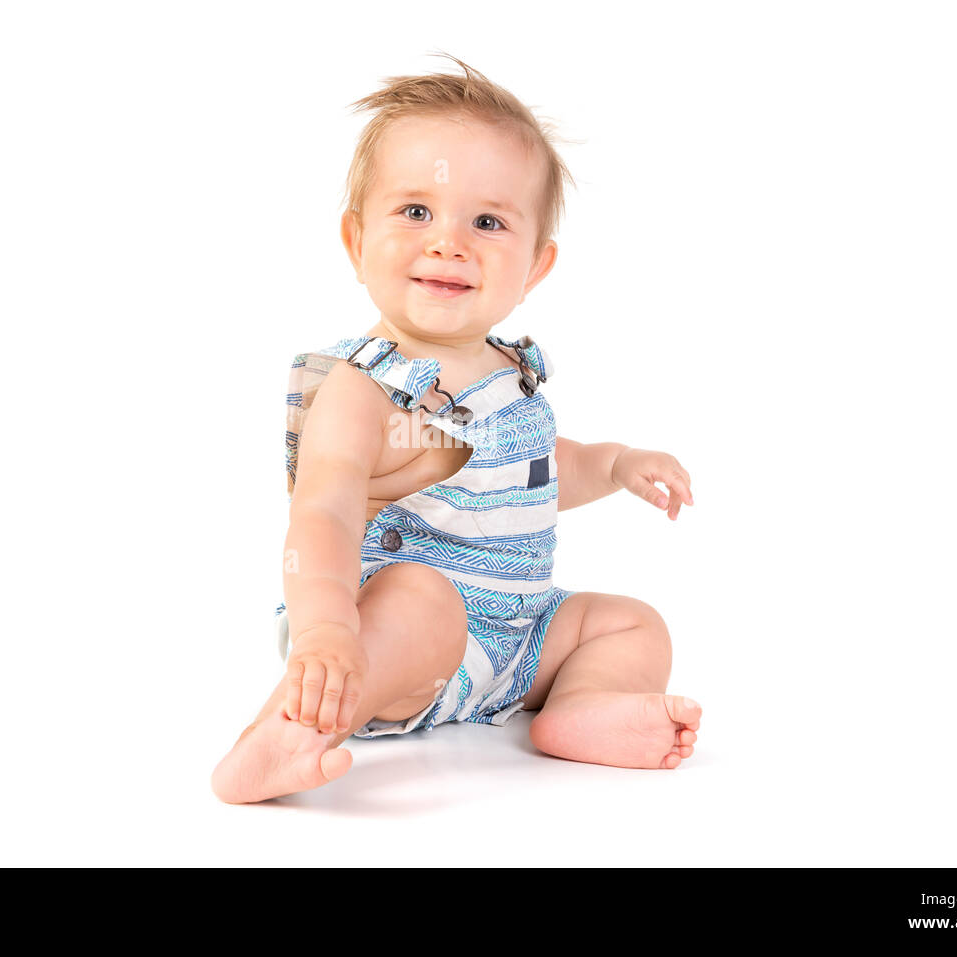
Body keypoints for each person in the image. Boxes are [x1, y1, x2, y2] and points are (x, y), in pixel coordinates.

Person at [212, 54, 700, 805]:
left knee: (631, 624)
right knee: (422, 597)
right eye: (415, 212)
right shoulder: (363, 387)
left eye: (487, 221)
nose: (449, 242)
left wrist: (614, 465)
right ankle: (291, 726)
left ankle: (578, 708)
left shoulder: (511, 375)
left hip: (517, 640)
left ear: (535, 267)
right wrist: (323, 631)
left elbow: (531, 472)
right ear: (355, 240)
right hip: (388, 637)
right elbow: (324, 511)